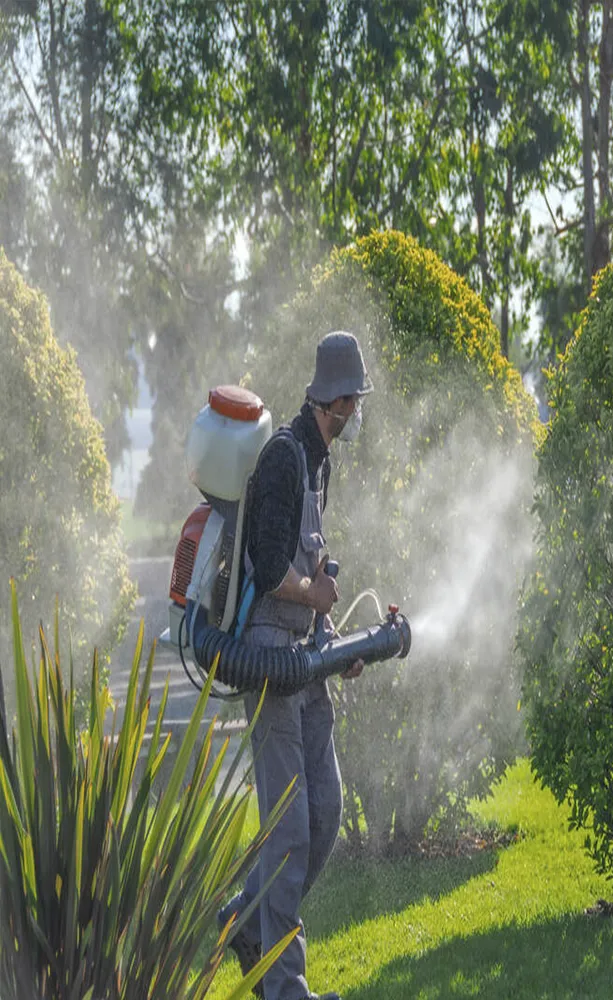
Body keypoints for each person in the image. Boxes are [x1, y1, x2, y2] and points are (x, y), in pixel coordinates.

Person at [218, 331, 372, 1000]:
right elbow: (267, 562)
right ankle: (284, 988)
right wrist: (311, 596)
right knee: (288, 833)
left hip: (305, 659)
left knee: (326, 811)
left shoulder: (319, 462)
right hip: (271, 663)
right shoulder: (284, 457)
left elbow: (311, 569)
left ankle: (244, 920)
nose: (356, 413)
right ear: (336, 401)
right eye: (354, 403)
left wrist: (332, 634)